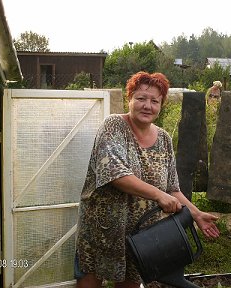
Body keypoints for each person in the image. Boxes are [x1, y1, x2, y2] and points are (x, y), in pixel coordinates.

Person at [75, 71, 220, 288]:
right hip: (102, 230)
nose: (147, 106)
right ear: (129, 99)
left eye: (155, 101)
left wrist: (195, 214)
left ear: (161, 105)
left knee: (130, 283)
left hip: (141, 235)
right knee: (90, 281)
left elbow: (172, 188)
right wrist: (158, 195)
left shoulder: (163, 139)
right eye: (141, 98)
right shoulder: (114, 126)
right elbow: (116, 174)